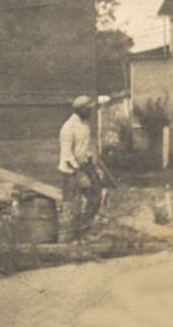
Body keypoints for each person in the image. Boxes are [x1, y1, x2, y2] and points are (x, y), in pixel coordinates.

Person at [58, 95, 102, 240]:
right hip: (71, 170)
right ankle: (68, 237)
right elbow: (67, 155)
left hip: (84, 166)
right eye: (88, 110)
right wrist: (79, 173)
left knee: (96, 194)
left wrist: (92, 166)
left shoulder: (85, 125)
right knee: (72, 204)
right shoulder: (68, 127)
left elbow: (84, 148)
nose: (91, 113)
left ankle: (84, 228)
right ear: (81, 110)